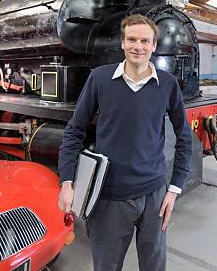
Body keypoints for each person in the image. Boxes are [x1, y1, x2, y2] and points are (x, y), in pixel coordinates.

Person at [57, 14, 193, 271]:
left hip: (154, 195)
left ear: (154, 45)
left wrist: (174, 190)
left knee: (154, 265)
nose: (138, 46)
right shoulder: (99, 78)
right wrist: (67, 181)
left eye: (145, 41)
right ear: (122, 43)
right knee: (106, 266)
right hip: (110, 197)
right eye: (131, 39)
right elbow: (74, 131)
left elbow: (184, 137)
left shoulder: (167, 84)